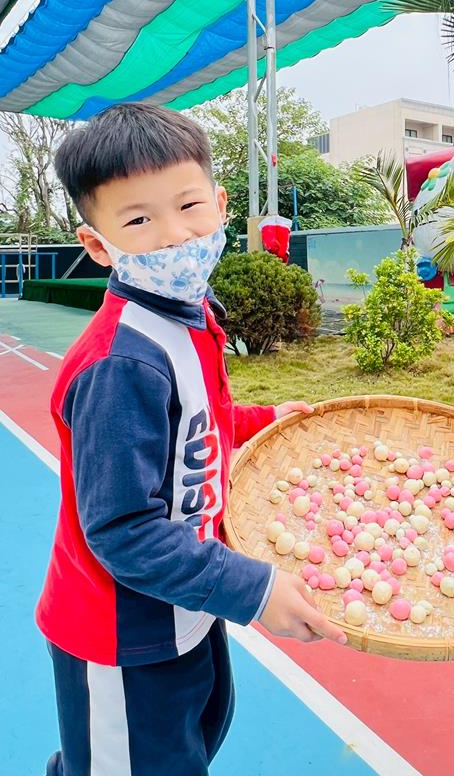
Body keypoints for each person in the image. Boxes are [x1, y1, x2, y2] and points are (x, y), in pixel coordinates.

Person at [37, 104, 346, 776]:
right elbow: (122, 531)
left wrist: (264, 418)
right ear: (98, 245)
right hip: (122, 634)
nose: (175, 235)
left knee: (188, 745)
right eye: (139, 220)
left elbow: (197, 418)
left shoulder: (187, 314)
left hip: (184, 604)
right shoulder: (120, 364)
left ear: (220, 204)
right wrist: (253, 589)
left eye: (188, 206)